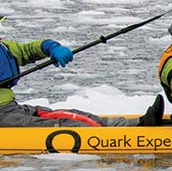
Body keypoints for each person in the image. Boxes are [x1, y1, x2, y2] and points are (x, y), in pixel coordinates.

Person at [0, 19, 142, 127]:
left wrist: (51, 47)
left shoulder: (4, 47)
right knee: (59, 124)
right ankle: (108, 137)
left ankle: (133, 123)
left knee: (68, 114)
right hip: (3, 117)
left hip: (10, 108)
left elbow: (27, 50)